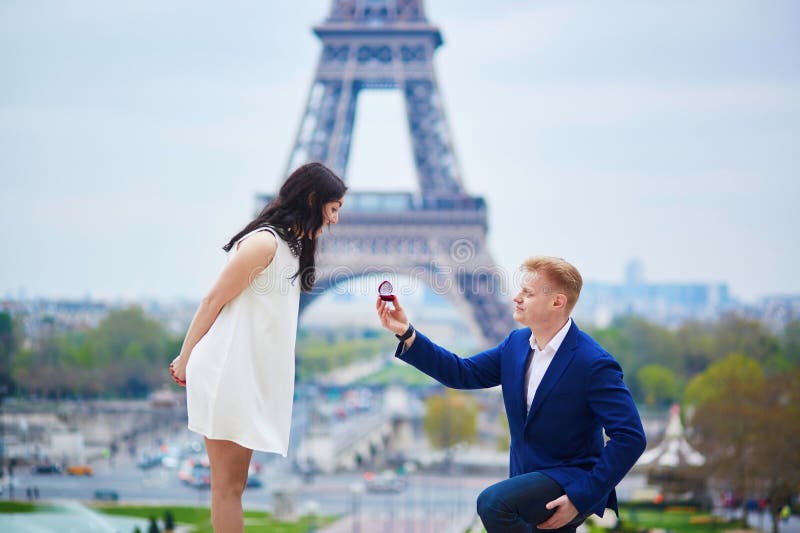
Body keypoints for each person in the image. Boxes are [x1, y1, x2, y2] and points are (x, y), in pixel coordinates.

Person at [376, 256, 646, 532]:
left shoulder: (593, 363)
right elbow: (462, 372)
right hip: (527, 481)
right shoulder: (516, 345)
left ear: (557, 302)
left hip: (570, 481)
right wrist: (406, 333)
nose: (516, 298)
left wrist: (581, 498)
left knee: (493, 502)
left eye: (527, 293)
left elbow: (630, 437)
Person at [169, 161, 346, 533]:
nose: (334, 220)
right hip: (226, 372)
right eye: (332, 209)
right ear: (313, 200)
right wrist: (185, 359)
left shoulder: (294, 247)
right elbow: (212, 301)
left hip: (243, 373)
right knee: (228, 487)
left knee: (234, 486)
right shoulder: (265, 243)